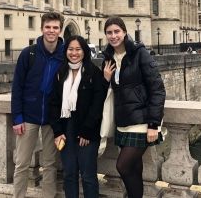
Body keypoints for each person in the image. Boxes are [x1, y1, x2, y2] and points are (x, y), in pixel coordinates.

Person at [101, 16, 166, 198]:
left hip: (142, 122)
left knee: (123, 165)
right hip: (123, 121)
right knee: (134, 169)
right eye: (109, 32)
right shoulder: (108, 59)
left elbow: (157, 89)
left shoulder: (140, 54)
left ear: (124, 32)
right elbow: (105, 92)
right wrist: (105, 79)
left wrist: (153, 124)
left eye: (116, 32)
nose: (113, 36)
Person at [11, 12, 65, 198]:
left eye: (55, 27)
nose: (51, 31)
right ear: (42, 28)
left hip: (52, 118)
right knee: (22, 163)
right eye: (48, 27)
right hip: (29, 116)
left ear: (60, 30)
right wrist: (17, 117)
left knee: (50, 164)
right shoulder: (29, 54)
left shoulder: (65, 55)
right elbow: (17, 87)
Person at [49, 35, 107, 198]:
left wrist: (87, 131)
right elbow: (53, 104)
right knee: (69, 174)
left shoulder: (93, 72)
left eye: (78, 49)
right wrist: (57, 131)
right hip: (65, 130)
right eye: (70, 49)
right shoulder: (61, 73)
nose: (74, 53)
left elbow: (97, 104)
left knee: (88, 176)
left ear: (84, 51)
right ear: (65, 51)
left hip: (87, 131)